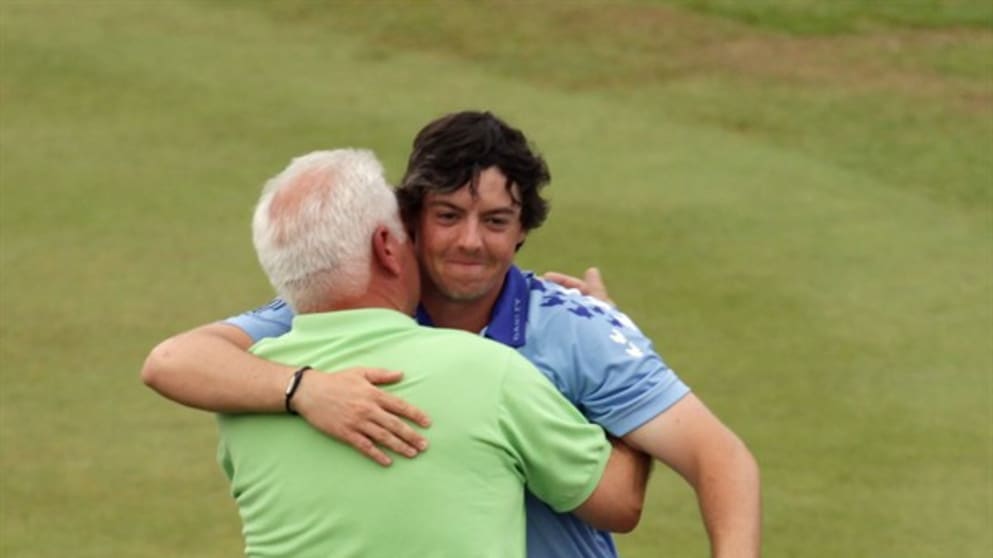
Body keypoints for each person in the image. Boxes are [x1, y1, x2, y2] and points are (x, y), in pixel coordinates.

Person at [142, 111, 761, 557]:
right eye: (448, 216)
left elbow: (720, 458)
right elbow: (175, 360)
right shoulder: (341, 314)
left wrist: (620, 374)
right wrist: (304, 389)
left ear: (521, 232)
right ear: (408, 221)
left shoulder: (578, 330)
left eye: (496, 221)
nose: (471, 241)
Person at [215, 147, 641, 557]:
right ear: (386, 246)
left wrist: (298, 388)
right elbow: (620, 501)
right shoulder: (488, 371)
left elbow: (170, 361)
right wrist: (620, 349)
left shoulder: (241, 406)